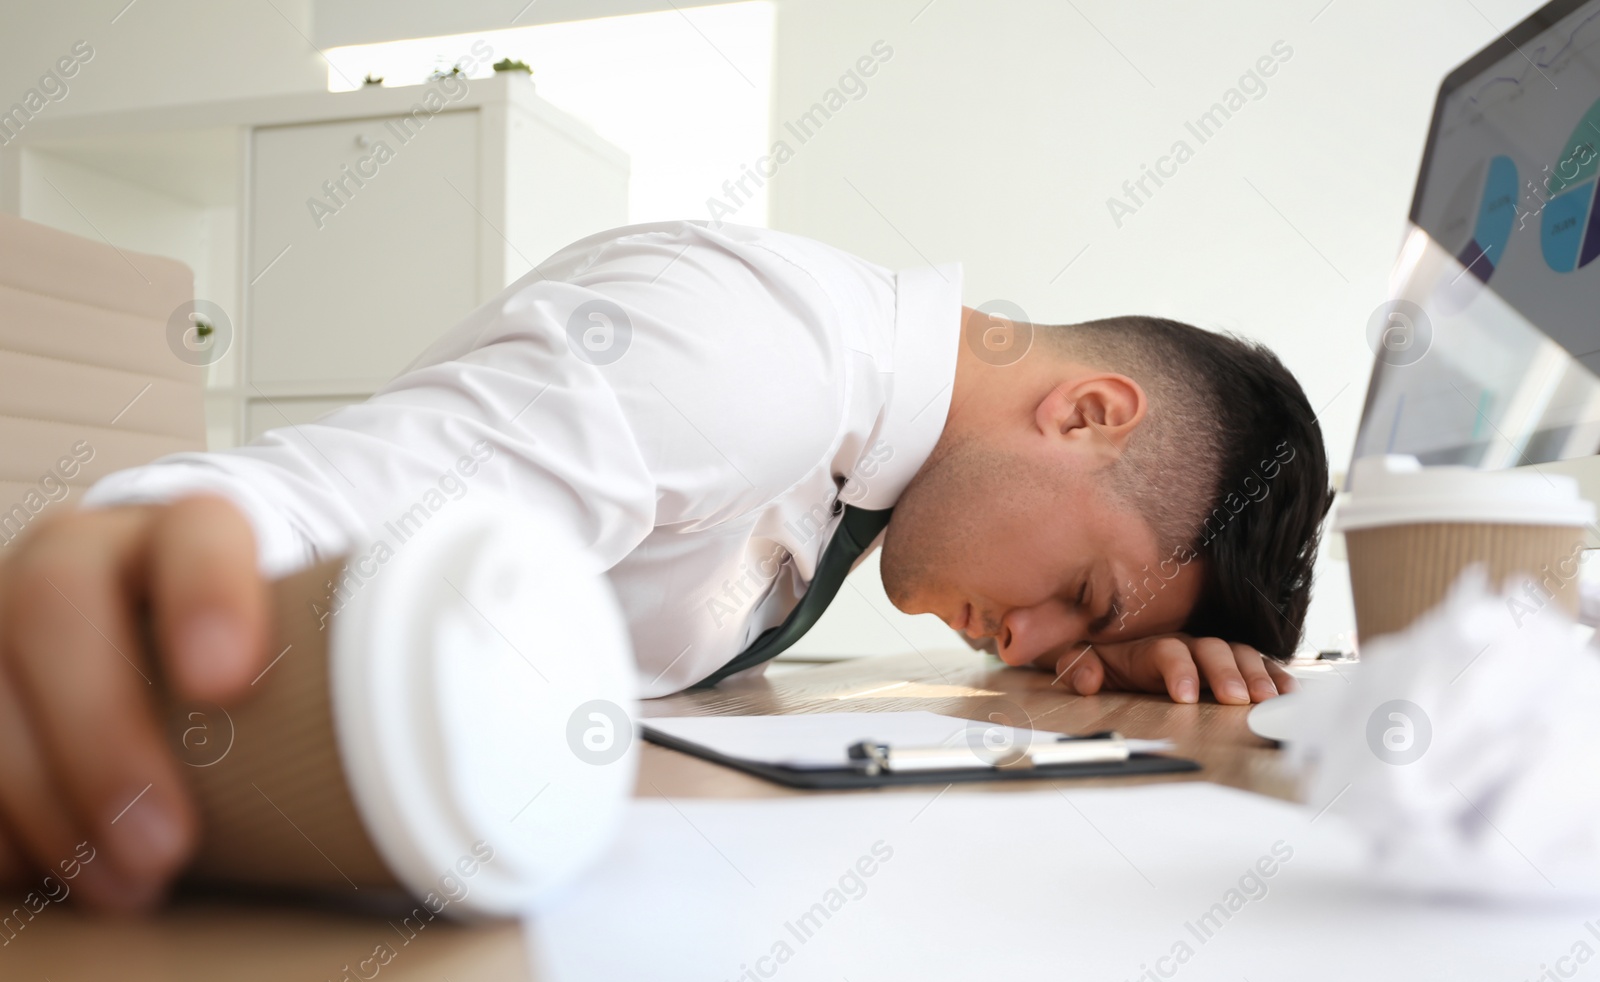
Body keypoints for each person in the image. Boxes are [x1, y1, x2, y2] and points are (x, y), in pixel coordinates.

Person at [0, 221, 1331, 909]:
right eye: (1081, 597)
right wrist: (129, 554)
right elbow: (328, 513)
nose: (1028, 640)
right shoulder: (756, 366)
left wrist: (1112, 664)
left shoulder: (869, 447)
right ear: (1089, 415)